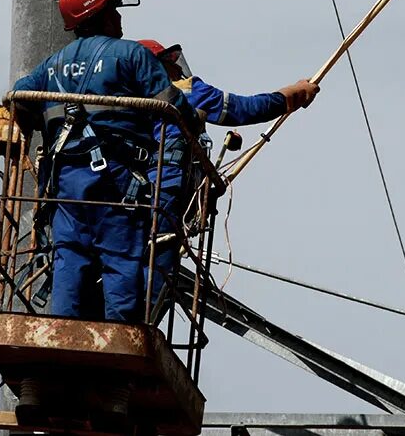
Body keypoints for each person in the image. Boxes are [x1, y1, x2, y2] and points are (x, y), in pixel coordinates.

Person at [12, 0, 199, 322]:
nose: (119, 17)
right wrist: (194, 127)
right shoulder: (131, 54)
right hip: (115, 180)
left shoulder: (54, 63)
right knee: (121, 257)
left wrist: (37, 122)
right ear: (102, 14)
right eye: (113, 9)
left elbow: (18, 96)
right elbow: (175, 107)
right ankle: (118, 339)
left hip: (65, 182)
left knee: (69, 254)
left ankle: (63, 332)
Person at [135, 39, 318, 309]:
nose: (177, 71)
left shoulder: (122, 102)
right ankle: (135, 326)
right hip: (166, 190)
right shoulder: (184, 92)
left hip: (126, 194)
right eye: (170, 64)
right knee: (157, 265)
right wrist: (293, 94)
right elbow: (244, 109)